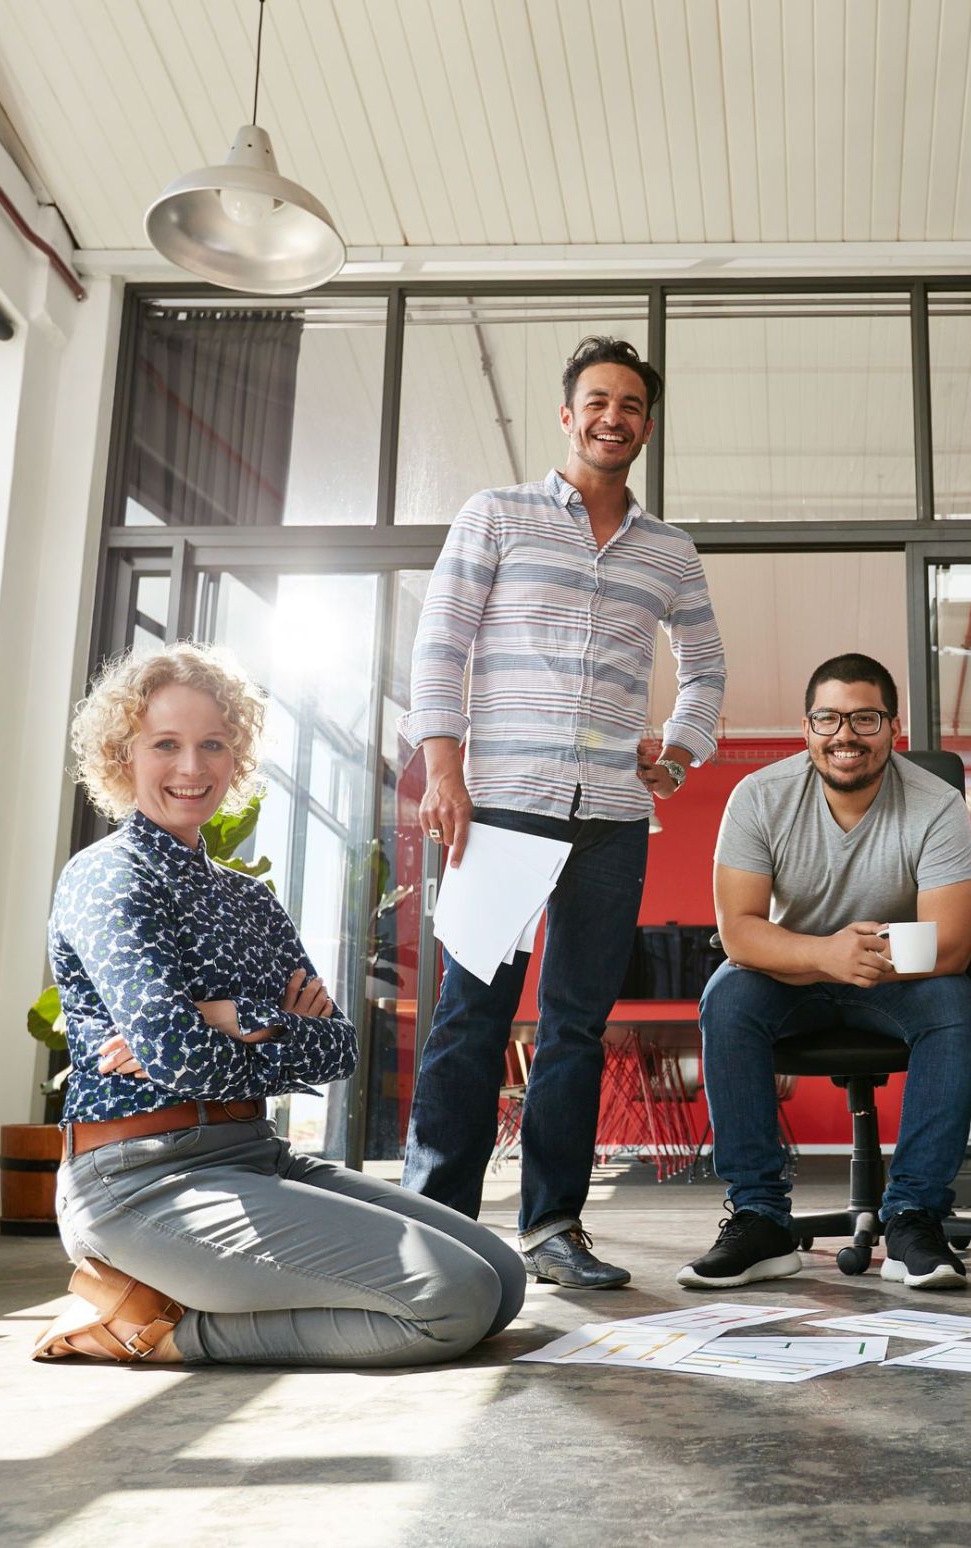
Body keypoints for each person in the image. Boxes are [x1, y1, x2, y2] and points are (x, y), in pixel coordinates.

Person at [38, 643, 526, 1366]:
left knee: (505, 1280)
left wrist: (220, 1017)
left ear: (236, 758)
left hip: (255, 1155)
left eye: (213, 745)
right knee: (452, 1301)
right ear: (122, 755)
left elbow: (338, 1047)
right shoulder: (107, 878)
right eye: (165, 745)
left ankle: (189, 1297)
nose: (192, 768)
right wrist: (254, 1022)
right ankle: (156, 1330)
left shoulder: (248, 898)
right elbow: (179, 1054)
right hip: (141, 1179)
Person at [401, 336, 725, 1289]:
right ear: (567, 413)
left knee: (578, 1026)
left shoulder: (669, 551)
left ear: (647, 426)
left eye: (630, 404)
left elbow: (706, 666)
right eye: (597, 400)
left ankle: (554, 1228)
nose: (612, 417)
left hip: (612, 819)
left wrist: (679, 749)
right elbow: (441, 644)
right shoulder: (495, 516)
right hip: (498, 807)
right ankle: (437, 1225)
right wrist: (443, 772)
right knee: (472, 1017)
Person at [679, 654, 971, 1292]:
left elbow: (952, 944)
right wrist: (824, 954)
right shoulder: (759, 797)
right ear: (807, 727)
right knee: (727, 996)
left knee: (953, 1001)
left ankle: (912, 1218)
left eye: (865, 718)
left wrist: (855, 957)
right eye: (829, 718)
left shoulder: (937, 804)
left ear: (892, 730)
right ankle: (761, 1219)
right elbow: (738, 930)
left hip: (898, 984)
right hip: (796, 978)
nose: (845, 734)